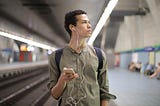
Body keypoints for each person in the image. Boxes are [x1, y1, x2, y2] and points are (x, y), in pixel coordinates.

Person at [47, 9, 116, 106]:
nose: (89, 26)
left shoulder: (99, 55)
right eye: (84, 22)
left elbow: (104, 91)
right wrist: (62, 80)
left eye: (89, 22)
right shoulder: (56, 56)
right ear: (72, 27)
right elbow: (55, 95)